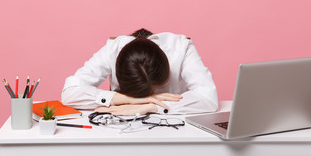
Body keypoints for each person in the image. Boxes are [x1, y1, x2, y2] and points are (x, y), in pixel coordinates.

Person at [62, 28, 218, 116]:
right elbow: (70, 93)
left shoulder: (180, 48)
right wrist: (126, 100)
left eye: (155, 92)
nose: (148, 97)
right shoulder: (113, 49)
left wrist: (151, 107)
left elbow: (207, 97)